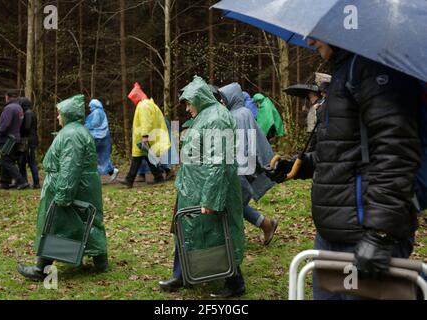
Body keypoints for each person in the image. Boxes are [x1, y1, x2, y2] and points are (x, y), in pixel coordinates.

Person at [265, 40, 422, 300]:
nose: (309, 39)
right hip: (333, 232)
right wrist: (296, 165)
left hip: (365, 235)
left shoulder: (374, 69)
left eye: (316, 32)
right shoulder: (344, 70)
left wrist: (380, 234)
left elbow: (397, 152)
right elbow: (341, 153)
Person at [159, 76, 246, 298]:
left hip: (207, 190)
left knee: (219, 233)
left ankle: (235, 282)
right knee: (184, 229)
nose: (187, 108)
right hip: (192, 188)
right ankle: (182, 274)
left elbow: (218, 161)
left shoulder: (216, 117)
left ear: (199, 98)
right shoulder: (205, 116)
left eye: (189, 103)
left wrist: (210, 198)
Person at [17, 95, 109, 280]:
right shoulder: (76, 131)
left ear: (68, 114)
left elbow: (70, 166)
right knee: (86, 222)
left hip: (74, 186)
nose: (58, 117)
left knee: (55, 224)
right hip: (83, 185)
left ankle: (41, 269)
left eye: (60, 114)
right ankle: (101, 263)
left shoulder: (71, 134)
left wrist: (63, 194)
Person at [218, 83, 278, 245]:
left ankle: (232, 242)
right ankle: (266, 224)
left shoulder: (238, 115)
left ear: (231, 98)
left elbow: (242, 145)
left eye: (224, 100)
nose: (222, 103)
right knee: (235, 204)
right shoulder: (241, 113)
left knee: (232, 204)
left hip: (243, 168)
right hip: (245, 167)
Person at [121, 83, 170, 188]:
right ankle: (158, 177)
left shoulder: (143, 105)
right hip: (146, 138)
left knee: (138, 158)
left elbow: (145, 122)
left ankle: (129, 180)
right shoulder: (148, 104)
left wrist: (144, 137)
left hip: (143, 138)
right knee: (147, 158)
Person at [0, 90, 29, 190]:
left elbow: (5, 124)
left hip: (7, 139)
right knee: (7, 159)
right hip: (16, 138)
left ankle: (21, 181)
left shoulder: (9, 108)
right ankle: (5, 183)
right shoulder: (19, 108)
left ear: (7, 97)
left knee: (6, 161)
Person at [84, 99, 119, 182]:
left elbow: (94, 123)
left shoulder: (96, 112)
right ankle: (111, 171)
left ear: (94, 105)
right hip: (103, 138)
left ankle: (95, 178)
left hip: (97, 138)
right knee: (101, 157)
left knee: (92, 156)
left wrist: (85, 127)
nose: (89, 109)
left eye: (90, 106)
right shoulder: (101, 112)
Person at [18, 97, 40, 188]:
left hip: (29, 141)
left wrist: (19, 132)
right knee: (22, 162)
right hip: (30, 140)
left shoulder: (28, 113)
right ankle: (25, 182)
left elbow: (27, 128)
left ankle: (36, 183)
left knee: (31, 162)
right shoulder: (30, 113)